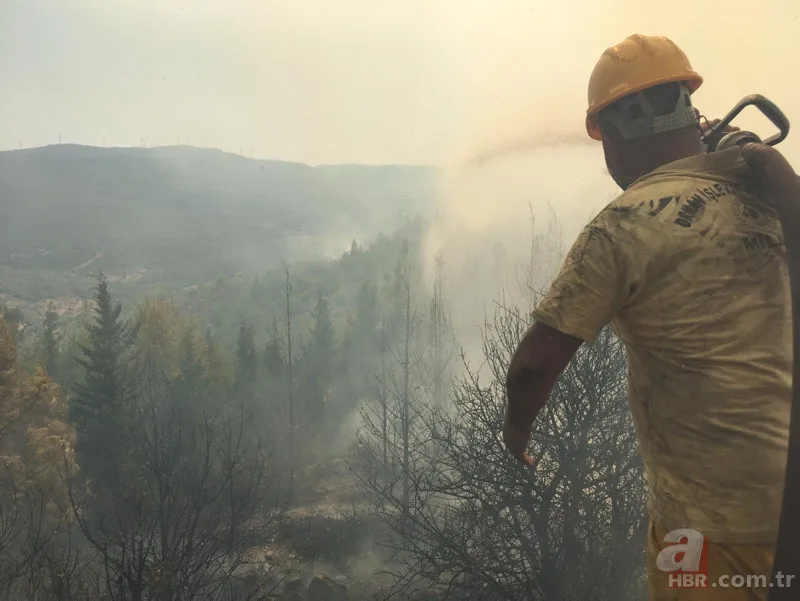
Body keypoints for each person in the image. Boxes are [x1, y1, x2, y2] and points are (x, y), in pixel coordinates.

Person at [502, 33, 797, 600]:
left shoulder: (623, 226)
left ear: (611, 135)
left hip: (714, 524)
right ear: (693, 114)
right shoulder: (765, 192)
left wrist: (516, 431)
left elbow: (534, 366)